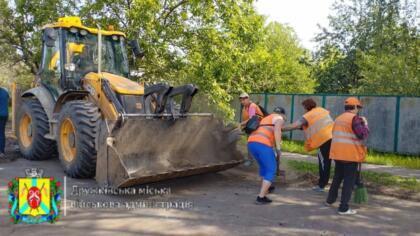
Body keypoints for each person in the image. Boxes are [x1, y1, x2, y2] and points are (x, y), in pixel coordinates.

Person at [325, 97, 369, 215]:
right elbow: (362, 135)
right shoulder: (355, 119)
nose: (358, 109)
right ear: (354, 107)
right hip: (350, 155)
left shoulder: (339, 118)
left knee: (337, 178)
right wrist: (365, 124)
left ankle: (330, 200)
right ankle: (343, 208)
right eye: (358, 107)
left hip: (338, 154)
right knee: (348, 182)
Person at [282, 98, 334, 192]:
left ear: (306, 107)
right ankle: (352, 182)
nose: (304, 109)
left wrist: (280, 128)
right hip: (334, 137)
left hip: (323, 140)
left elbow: (294, 125)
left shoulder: (307, 115)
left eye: (304, 107)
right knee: (339, 162)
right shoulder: (321, 110)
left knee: (324, 163)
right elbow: (316, 124)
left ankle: (321, 185)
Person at [247, 106, 286, 204]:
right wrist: (278, 148)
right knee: (271, 169)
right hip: (262, 144)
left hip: (251, 143)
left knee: (264, 166)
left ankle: (268, 187)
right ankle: (261, 197)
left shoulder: (265, 119)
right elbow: (277, 131)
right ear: (282, 114)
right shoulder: (279, 118)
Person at [239, 92, 264, 166]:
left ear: (248, 98)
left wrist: (241, 124)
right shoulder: (245, 107)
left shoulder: (252, 106)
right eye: (241, 100)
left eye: (244, 99)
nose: (242, 101)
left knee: (251, 144)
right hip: (252, 127)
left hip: (258, 127)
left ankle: (251, 161)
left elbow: (251, 118)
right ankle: (253, 160)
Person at [0, 86, 9, 159]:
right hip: (5, 115)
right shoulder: (5, 92)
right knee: (2, 133)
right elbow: (8, 101)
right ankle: (2, 152)